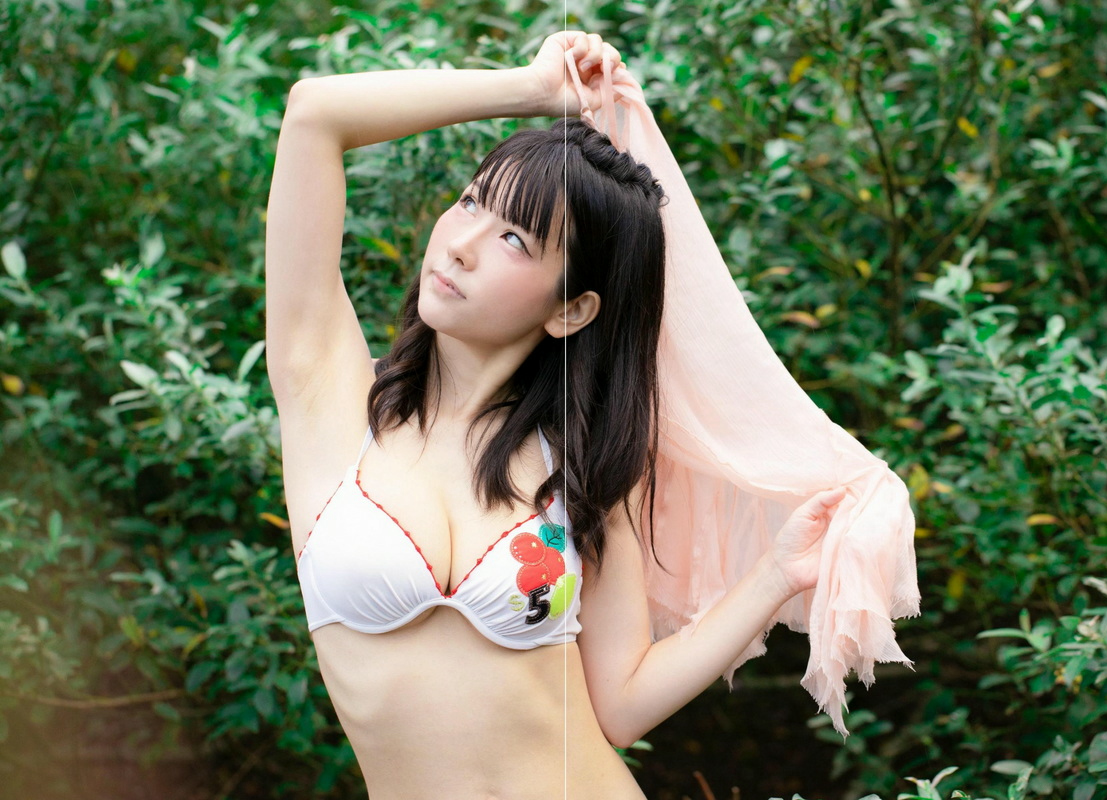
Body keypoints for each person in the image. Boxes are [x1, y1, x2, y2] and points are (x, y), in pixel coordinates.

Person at [265, 30, 847, 799]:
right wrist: (533, 90)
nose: (461, 244)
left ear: (571, 310)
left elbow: (623, 704)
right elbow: (314, 114)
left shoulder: (578, 467)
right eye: (470, 202)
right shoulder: (331, 400)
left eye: (513, 238)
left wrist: (774, 576)